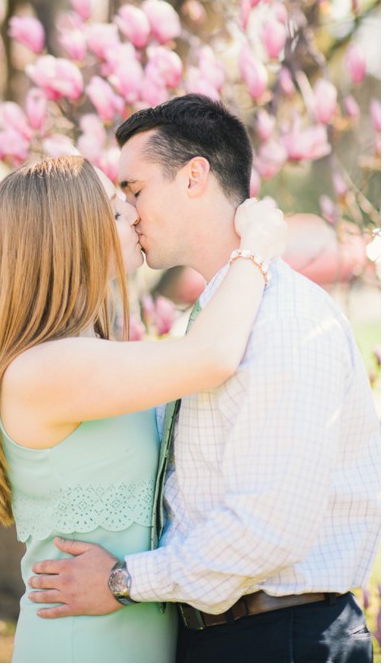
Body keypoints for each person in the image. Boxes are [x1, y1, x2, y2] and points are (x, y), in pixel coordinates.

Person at [27, 95, 381, 663]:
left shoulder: (283, 321)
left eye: (135, 190)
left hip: (279, 638)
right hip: (224, 634)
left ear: (194, 177)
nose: (131, 213)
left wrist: (123, 580)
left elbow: (267, 528)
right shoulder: (222, 319)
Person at [0, 153, 286, 662]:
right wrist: (257, 250)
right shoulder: (44, 370)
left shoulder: (89, 352)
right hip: (81, 646)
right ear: (71, 238)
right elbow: (210, 357)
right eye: (118, 212)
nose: (136, 216)